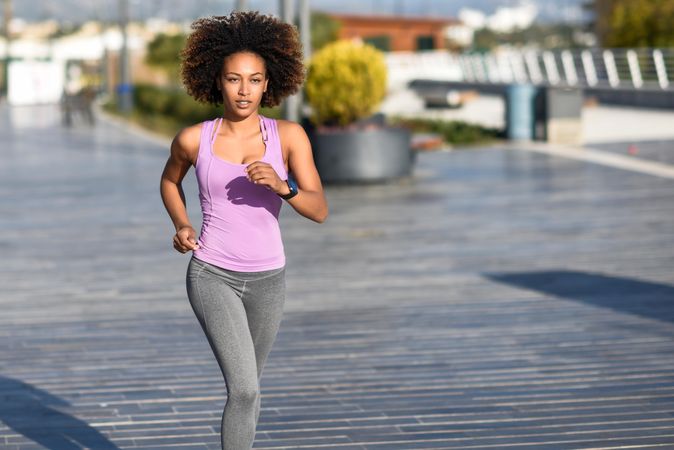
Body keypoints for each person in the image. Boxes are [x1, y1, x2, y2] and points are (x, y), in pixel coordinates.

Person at [159, 11, 328, 449]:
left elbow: (319, 209)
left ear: (269, 83)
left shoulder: (289, 137)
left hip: (270, 279)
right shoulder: (194, 139)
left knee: (250, 391)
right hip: (213, 273)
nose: (244, 90)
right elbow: (169, 180)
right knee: (245, 389)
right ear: (217, 81)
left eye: (254, 80)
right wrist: (181, 223)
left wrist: (283, 186)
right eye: (234, 79)